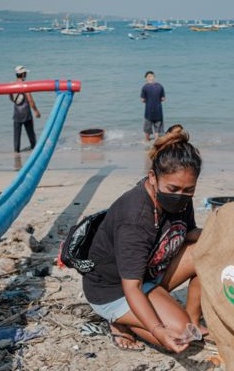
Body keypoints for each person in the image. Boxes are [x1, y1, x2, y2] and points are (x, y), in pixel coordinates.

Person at [82, 126, 203, 353]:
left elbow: (186, 232)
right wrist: (157, 330)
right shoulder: (135, 219)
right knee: (178, 336)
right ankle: (120, 321)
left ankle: (193, 321)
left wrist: (221, 233)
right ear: (152, 178)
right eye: (173, 188)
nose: (181, 196)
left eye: (189, 190)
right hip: (114, 289)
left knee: (208, 250)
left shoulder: (182, 199)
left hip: (149, 272)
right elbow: (132, 286)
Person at [10, 65, 40, 153]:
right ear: (23, 74)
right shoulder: (25, 85)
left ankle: (16, 152)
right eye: (25, 73)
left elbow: (11, 99)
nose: (26, 75)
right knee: (30, 133)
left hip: (16, 113)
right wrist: (36, 111)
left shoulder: (11, 85)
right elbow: (30, 100)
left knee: (16, 135)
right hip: (26, 113)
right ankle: (34, 148)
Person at [140, 71, 166, 141]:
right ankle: (156, 141)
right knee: (157, 129)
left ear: (146, 78)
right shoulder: (160, 86)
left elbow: (142, 100)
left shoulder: (145, 87)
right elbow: (163, 99)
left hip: (148, 112)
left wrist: (147, 101)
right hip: (158, 111)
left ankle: (147, 142)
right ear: (154, 77)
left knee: (147, 129)